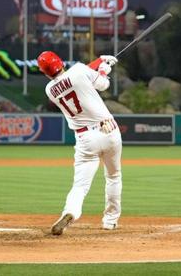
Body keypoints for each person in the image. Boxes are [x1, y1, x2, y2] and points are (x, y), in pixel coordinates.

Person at [37, 51, 122, 235]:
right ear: (60, 62)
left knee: (80, 185)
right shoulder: (78, 70)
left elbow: (75, 76)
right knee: (113, 176)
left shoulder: (50, 90)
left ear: (45, 72)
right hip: (109, 130)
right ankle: (110, 221)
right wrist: (104, 70)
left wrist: (99, 61)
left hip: (85, 139)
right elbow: (103, 85)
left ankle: (70, 212)